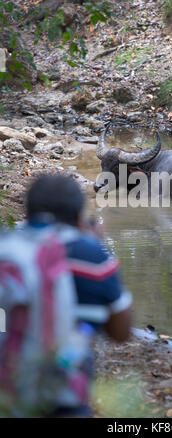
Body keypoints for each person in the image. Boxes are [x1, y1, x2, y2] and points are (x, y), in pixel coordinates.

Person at [1, 174, 132, 417]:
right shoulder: (92, 255)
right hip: (64, 400)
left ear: (28, 213)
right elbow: (121, 332)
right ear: (79, 217)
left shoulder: (5, 247)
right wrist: (99, 247)